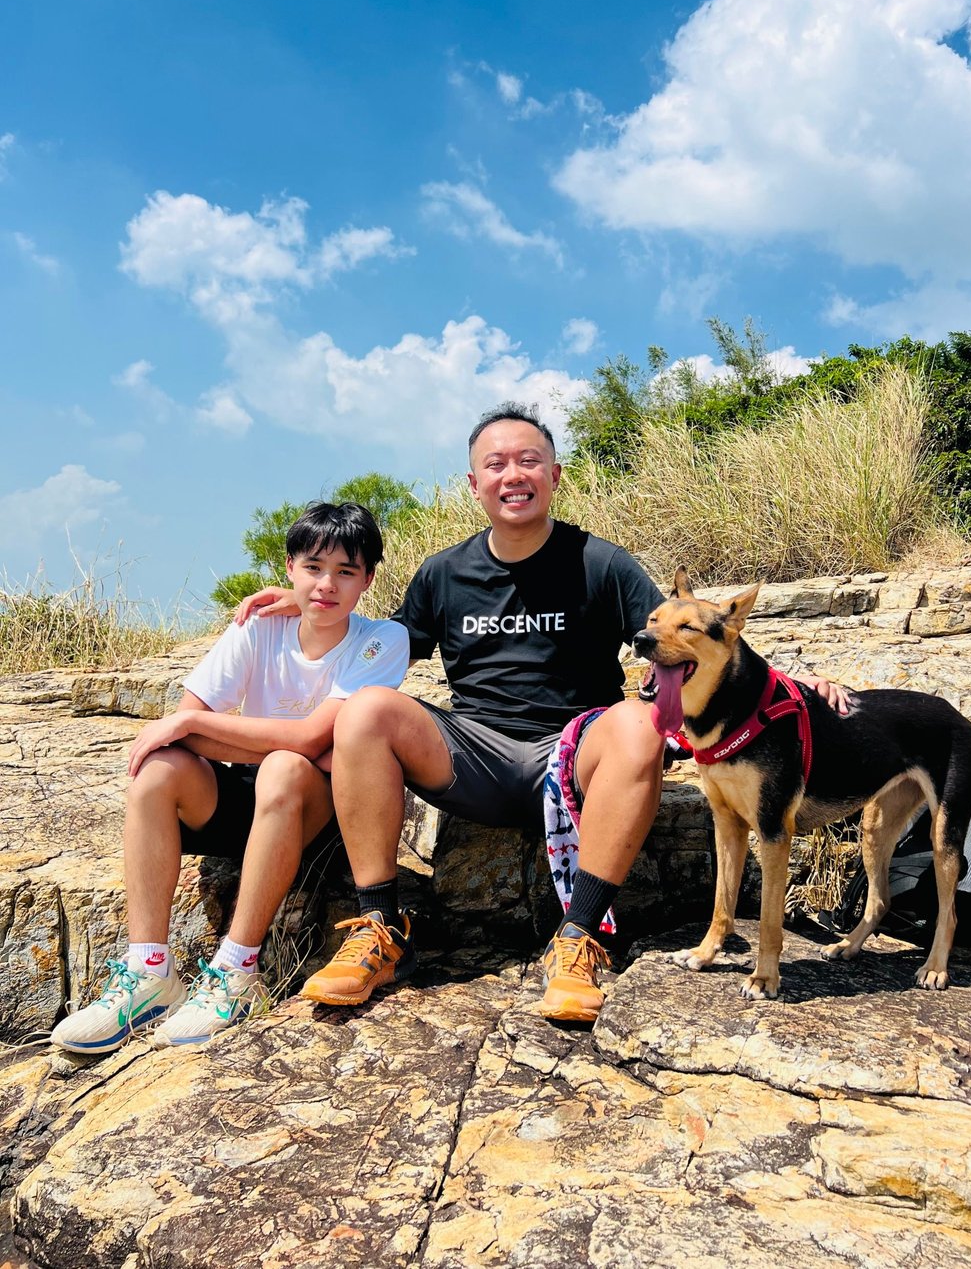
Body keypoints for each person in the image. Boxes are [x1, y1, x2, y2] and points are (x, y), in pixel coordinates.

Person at [239, 404, 846, 1024]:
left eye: (528, 461)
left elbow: (695, 635)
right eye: (494, 464)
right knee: (366, 710)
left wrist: (795, 686)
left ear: (555, 474)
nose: (513, 475)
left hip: (575, 756)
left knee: (640, 722)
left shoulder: (601, 563)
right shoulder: (444, 572)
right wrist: (311, 598)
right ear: (473, 484)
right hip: (471, 756)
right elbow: (380, 643)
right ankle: (380, 927)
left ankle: (578, 935)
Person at [50, 501, 409, 1053]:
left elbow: (311, 740)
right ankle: (148, 972)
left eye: (345, 572)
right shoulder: (258, 626)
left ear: (369, 579)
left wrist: (200, 721)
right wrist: (197, 725)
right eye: (313, 568)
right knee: (158, 769)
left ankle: (236, 972)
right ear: (289, 567)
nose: (326, 585)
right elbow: (179, 736)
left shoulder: (381, 640)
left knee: (287, 766)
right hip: (248, 793)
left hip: (320, 813)